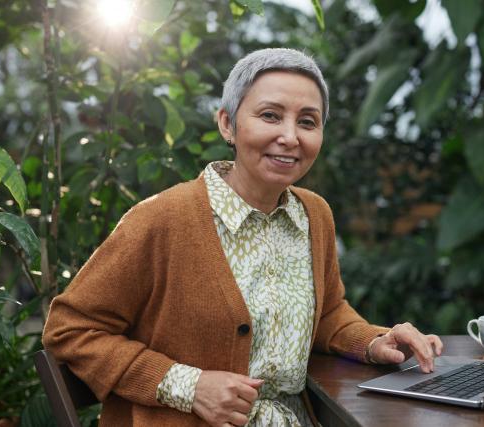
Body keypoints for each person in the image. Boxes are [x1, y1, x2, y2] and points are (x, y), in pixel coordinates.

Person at [42, 48, 443, 427]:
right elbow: (70, 329)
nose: (290, 136)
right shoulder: (161, 220)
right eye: (270, 116)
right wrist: (188, 386)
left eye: (307, 121)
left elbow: (327, 314)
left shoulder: (314, 215)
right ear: (227, 124)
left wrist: (375, 342)